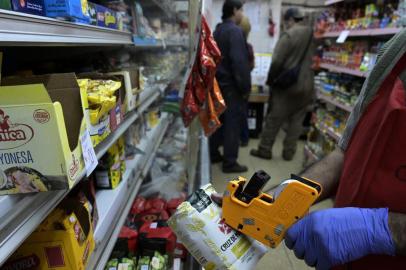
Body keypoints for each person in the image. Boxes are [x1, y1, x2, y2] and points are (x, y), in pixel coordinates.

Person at [213, 29, 406, 269]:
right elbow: (347, 152)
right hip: (342, 258)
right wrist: (271, 203)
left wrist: (383, 230)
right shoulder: (398, 48)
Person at [250, 8, 314, 161]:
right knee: (297, 120)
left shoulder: (289, 35)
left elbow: (277, 61)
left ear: (290, 20)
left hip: (288, 86)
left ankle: (265, 149)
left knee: (274, 118)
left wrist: (271, 79)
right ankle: (288, 153)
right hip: (307, 85)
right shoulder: (312, 33)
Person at [209, 0, 251, 173]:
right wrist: (245, 88)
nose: (242, 13)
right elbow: (239, 63)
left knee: (219, 122)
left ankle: (213, 153)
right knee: (232, 124)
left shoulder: (218, 30)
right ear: (235, 10)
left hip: (218, 84)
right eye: (241, 10)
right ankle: (230, 162)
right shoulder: (235, 31)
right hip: (232, 87)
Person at [238, 15, 255, 147]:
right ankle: (244, 138)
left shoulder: (237, 46)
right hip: (245, 84)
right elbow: (252, 65)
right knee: (243, 112)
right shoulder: (248, 47)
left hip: (236, 85)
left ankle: (241, 138)